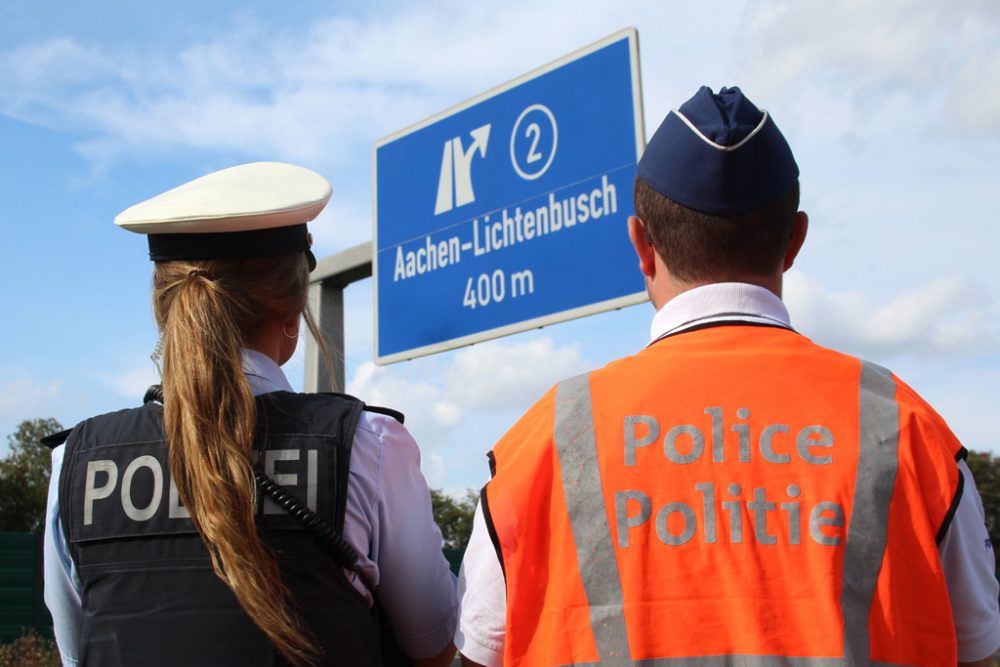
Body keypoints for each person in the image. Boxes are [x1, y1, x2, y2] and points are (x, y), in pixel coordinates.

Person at [454, 87, 1000, 666]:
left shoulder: (544, 441)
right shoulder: (906, 427)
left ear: (641, 244)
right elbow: (980, 650)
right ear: (794, 239)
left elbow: (475, 651)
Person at [43, 162, 458, 666]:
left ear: (162, 308)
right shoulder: (369, 445)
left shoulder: (76, 462)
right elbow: (433, 646)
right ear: (292, 308)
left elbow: (77, 650)